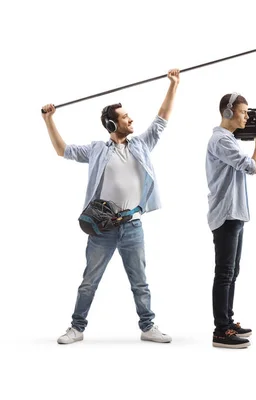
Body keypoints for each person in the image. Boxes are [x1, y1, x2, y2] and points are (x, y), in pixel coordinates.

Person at [41, 69, 180, 345]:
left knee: (140, 282)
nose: (131, 120)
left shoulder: (140, 144)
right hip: (102, 229)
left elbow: (161, 120)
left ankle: (148, 326)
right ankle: (76, 328)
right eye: (125, 117)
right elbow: (62, 150)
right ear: (112, 125)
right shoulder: (96, 150)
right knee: (89, 282)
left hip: (132, 226)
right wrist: (49, 121)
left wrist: (173, 85)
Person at [205, 92, 256, 349]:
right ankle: (221, 329)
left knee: (232, 271)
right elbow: (251, 167)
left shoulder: (228, 140)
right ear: (228, 112)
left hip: (235, 212)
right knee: (224, 273)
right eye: (244, 112)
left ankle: (228, 321)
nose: (248, 117)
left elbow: (253, 167)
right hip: (226, 212)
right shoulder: (222, 140)